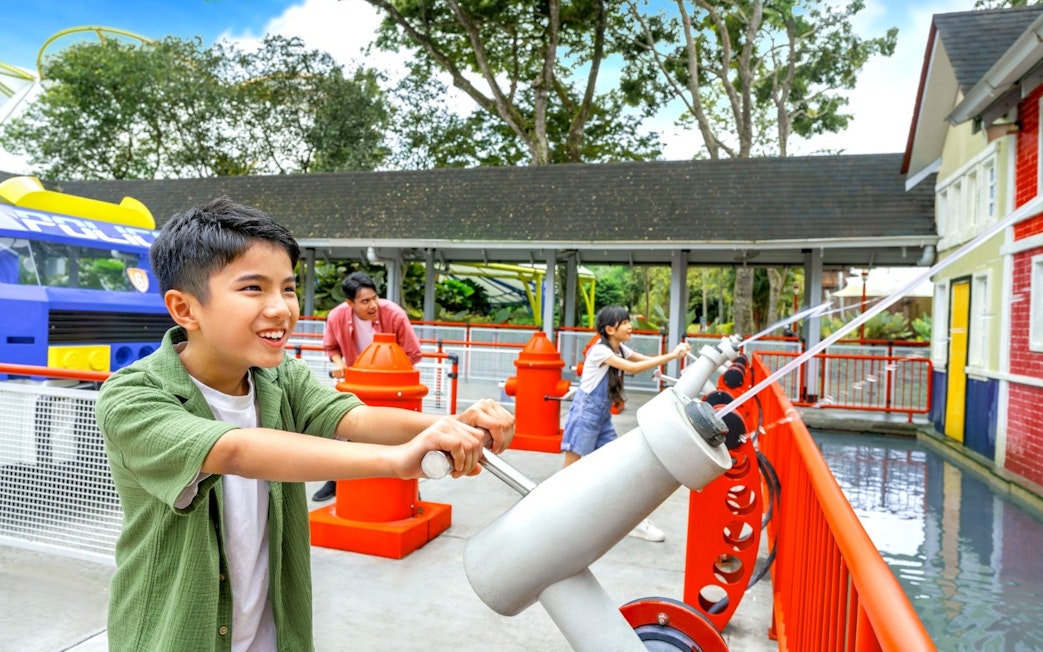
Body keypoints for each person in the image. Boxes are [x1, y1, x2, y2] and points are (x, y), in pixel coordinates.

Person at [95, 197, 514, 651]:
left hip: (272, 636)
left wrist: (454, 425)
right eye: (253, 288)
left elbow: (353, 416)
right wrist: (396, 462)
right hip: (172, 636)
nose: (281, 309)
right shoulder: (132, 396)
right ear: (184, 309)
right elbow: (235, 450)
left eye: (288, 288)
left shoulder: (280, 376)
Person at [560, 305, 689, 543]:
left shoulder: (619, 349)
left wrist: (674, 354)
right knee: (571, 467)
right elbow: (634, 368)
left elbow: (646, 361)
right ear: (610, 329)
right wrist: (672, 356)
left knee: (618, 465)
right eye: (625, 322)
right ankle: (555, 516)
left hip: (601, 416)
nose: (630, 326)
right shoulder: (600, 351)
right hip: (586, 413)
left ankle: (631, 521)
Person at [311, 270, 424, 502]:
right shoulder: (337, 317)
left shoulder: (394, 314)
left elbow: (413, 353)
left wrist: (387, 374)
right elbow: (331, 347)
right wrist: (339, 363)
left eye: (374, 298)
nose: (373, 305)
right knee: (340, 431)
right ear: (350, 303)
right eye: (365, 301)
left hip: (389, 390)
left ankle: (408, 485)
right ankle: (335, 479)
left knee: (396, 434)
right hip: (356, 386)